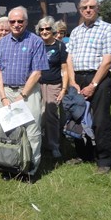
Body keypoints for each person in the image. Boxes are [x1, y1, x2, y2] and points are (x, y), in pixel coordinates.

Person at [66, 0, 111, 174]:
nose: (88, 10)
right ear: (79, 10)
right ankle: (84, 154)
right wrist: (73, 81)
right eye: (84, 8)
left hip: (99, 78)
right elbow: (70, 58)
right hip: (78, 79)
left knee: (100, 120)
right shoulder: (76, 31)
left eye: (91, 7)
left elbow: (107, 60)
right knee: (77, 116)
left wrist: (94, 84)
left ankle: (104, 159)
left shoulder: (107, 29)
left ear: (98, 9)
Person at [0, 6, 49, 180]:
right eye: (12, 21)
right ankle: (10, 166)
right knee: (8, 131)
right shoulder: (2, 43)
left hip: (29, 92)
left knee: (32, 131)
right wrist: (3, 96)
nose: (16, 24)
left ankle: (29, 170)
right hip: (7, 92)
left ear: (26, 22)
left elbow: (37, 72)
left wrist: (22, 95)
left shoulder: (36, 41)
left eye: (20, 21)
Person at [36, 16, 68, 159]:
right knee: (36, 114)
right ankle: (38, 143)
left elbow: (65, 69)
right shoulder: (36, 44)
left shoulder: (60, 46)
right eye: (41, 29)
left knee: (51, 115)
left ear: (52, 29)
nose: (44, 31)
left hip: (53, 84)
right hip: (37, 84)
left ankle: (54, 145)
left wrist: (63, 89)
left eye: (47, 28)